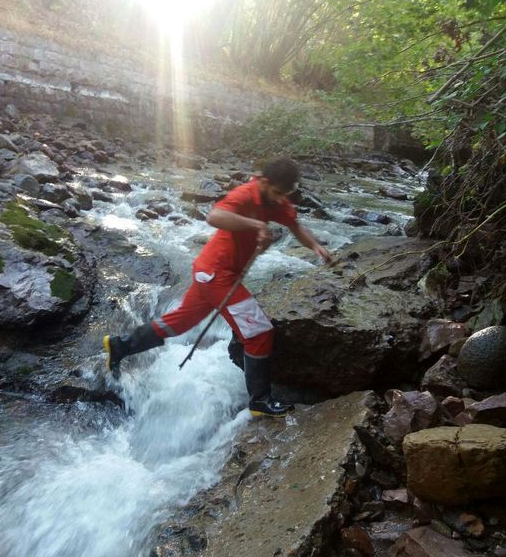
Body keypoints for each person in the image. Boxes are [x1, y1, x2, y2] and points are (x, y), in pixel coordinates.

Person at [103, 157, 333, 417]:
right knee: (258, 333)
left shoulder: (275, 199)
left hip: (213, 273)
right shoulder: (246, 194)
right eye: (278, 192)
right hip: (215, 274)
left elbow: (295, 226)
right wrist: (256, 224)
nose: (281, 199)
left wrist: (315, 246)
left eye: (285, 194)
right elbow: (215, 215)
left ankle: (120, 346)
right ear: (265, 183)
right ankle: (260, 401)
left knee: (177, 324)